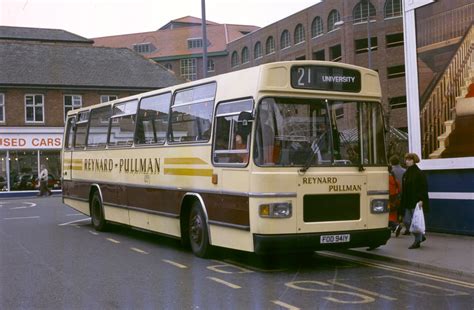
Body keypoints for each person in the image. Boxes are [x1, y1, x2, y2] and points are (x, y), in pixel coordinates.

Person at [399, 153, 429, 249]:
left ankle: (417, 241)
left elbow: (423, 188)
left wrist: (421, 200)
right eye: (406, 159)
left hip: (416, 201)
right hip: (407, 201)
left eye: (409, 159)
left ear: (414, 160)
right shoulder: (405, 174)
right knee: (407, 221)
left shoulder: (419, 173)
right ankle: (421, 236)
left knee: (415, 222)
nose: (407, 161)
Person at [389, 155, 406, 236]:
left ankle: (394, 226)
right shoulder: (404, 171)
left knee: (392, 211)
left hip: (393, 195)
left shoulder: (390, 172)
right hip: (402, 194)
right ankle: (399, 223)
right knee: (400, 210)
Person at [388, 165, 401, 234]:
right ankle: (396, 226)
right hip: (395, 199)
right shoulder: (395, 179)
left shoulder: (385, 179)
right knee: (394, 214)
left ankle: (395, 226)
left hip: (388, 199)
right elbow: (399, 189)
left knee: (388, 215)